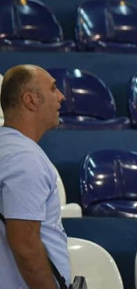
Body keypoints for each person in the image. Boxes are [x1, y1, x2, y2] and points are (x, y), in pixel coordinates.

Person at [0, 64, 70, 289]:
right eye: (53, 89)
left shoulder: (7, 148)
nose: (61, 96)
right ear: (30, 100)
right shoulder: (24, 158)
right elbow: (25, 244)